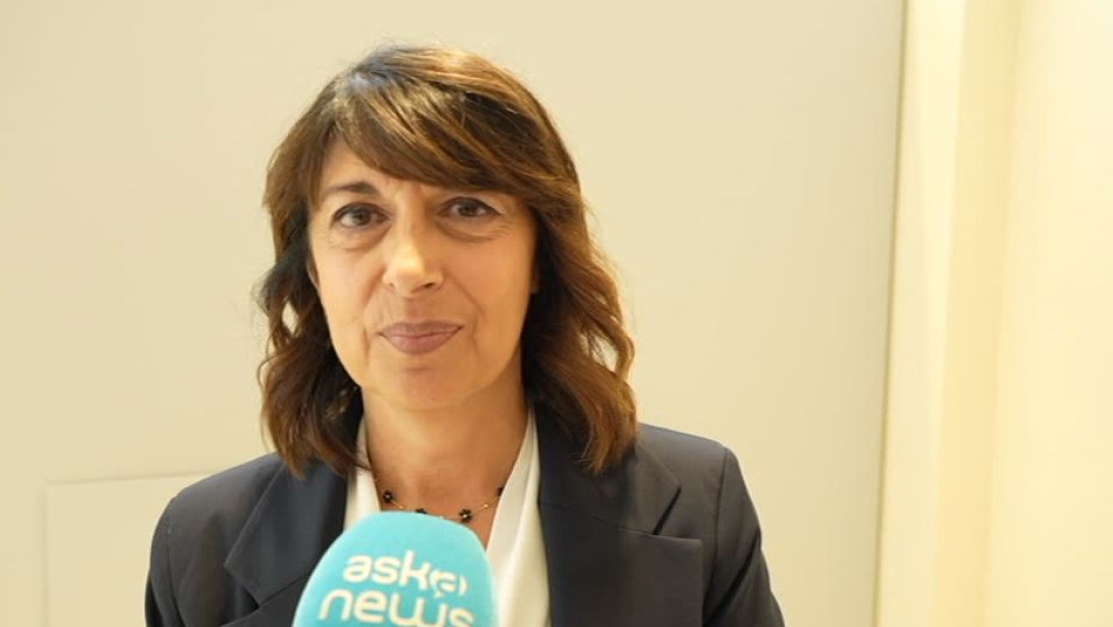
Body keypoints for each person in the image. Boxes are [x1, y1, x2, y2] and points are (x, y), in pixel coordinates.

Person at [145, 43, 785, 627]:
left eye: (467, 208)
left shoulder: (696, 504)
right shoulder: (203, 541)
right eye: (359, 215)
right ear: (312, 268)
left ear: (540, 255)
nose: (410, 268)